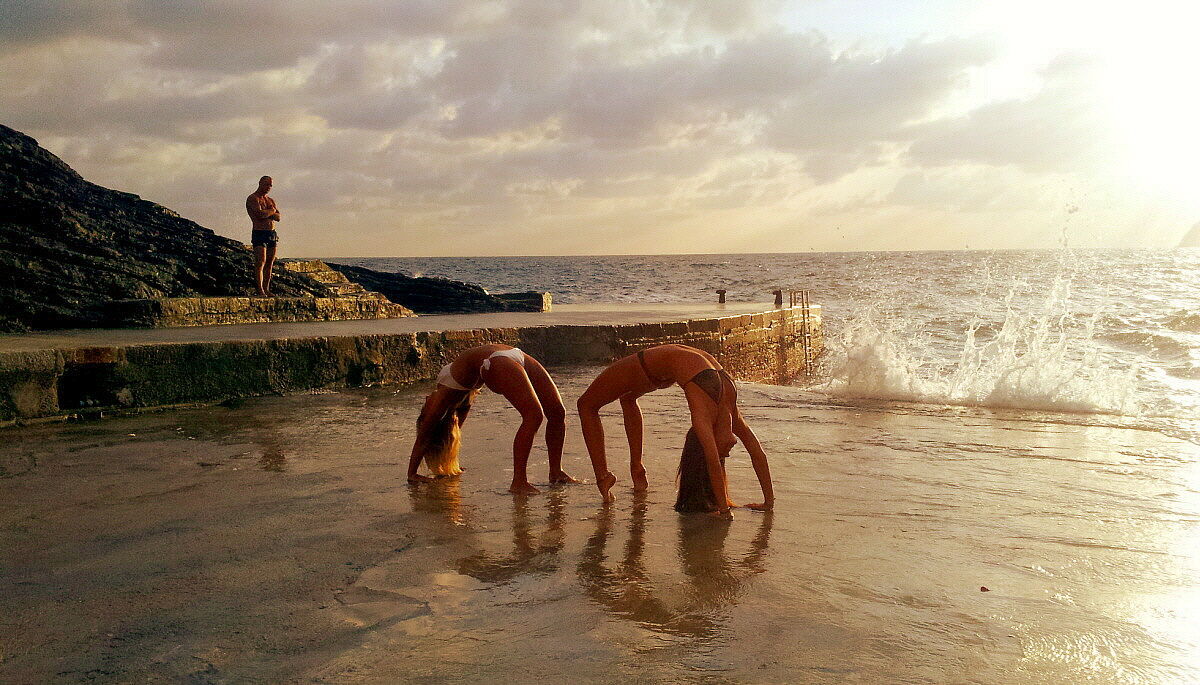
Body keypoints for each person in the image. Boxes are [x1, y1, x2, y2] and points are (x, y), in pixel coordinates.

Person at [576, 343, 774, 519]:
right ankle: (604, 476)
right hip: (647, 365)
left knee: (624, 399)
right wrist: (724, 510)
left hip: (661, 370)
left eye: (724, 455)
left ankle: (637, 469)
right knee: (587, 404)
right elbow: (713, 460)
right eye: (725, 455)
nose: (729, 452)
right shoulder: (707, 415)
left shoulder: (728, 414)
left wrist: (768, 502)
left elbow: (757, 453)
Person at [407, 343, 578, 495]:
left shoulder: (456, 402)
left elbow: (454, 433)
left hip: (513, 355)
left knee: (557, 412)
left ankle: (556, 472)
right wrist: (412, 474)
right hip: (497, 361)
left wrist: (452, 464)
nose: (426, 399)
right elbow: (424, 437)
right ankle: (519, 481)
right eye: (425, 406)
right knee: (533, 416)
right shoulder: (441, 402)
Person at [246, 175, 281, 296]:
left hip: (271, 233)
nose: (269, 187)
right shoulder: (253, 198)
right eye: (267, 184)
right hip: (259, 232)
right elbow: (259, 215)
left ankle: (266, 288)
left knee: (270, 262)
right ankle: (260, 289)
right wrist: (271, 211)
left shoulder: (270, 200)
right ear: (260, 183)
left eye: (270, 185)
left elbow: (279, 217)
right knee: (261, 261)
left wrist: (270, 213)